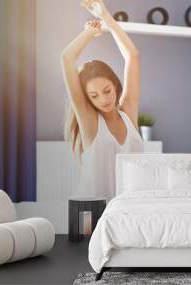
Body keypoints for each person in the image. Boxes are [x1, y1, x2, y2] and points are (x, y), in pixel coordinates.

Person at [61, 0, 144, 201]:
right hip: (90, 212)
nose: (104, 99)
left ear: (115, 85)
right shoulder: (89, 121)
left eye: (107, 90)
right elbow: (66, 58)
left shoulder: (128, 112)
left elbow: (132, 56)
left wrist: (105, 17)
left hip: (128, 209)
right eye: (94, 96)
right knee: (89, 233)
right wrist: (89, 32)